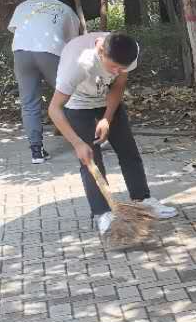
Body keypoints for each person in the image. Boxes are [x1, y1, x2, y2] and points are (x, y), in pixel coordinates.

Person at [48, 31, 178, 236]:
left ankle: (142, 201)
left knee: (128, 150)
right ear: (100, 51)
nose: (117, 71)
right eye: (113, 67)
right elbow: (54, 109)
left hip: (106, 99)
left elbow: (118, 85)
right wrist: (77, 143)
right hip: (78, 104)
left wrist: (107, 119)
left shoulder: (129, 52)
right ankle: (102, 213)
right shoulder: (77, 65)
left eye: (122, 68)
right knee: (91, 160)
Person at [8, 0, 99, 163]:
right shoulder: (69, 12)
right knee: (70, 95)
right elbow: (72, 44)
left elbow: (15, 29)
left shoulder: (25, 5)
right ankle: (91, 138)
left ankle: (36, 151)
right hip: (51, 52)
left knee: (29, 102)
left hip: (21, 52)